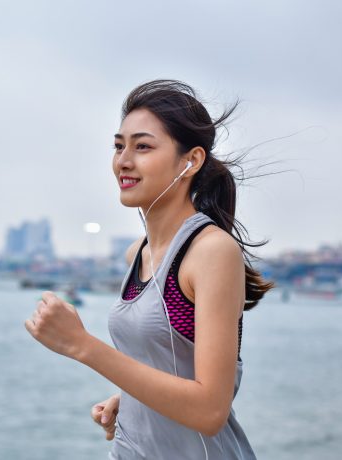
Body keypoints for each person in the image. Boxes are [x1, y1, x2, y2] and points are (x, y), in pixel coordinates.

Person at [25, 79, 274, 459]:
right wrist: (130, 399)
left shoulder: (210, 252)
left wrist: (81, 344)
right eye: (119, 145)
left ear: (190, 161)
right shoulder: (137, 254)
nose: (124, 160)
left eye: (143, 146)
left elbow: (209, 409)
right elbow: (169, 363)